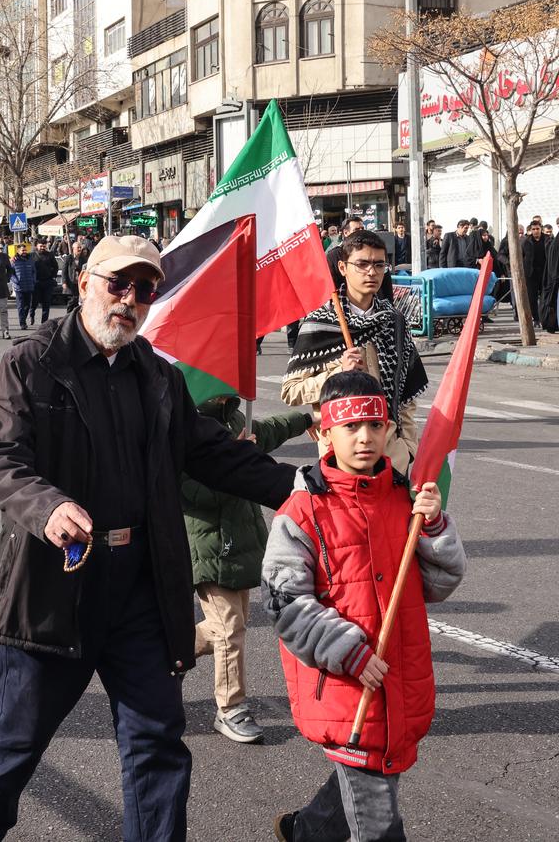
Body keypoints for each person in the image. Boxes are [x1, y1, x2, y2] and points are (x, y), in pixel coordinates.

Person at [0, 235, 299, 842]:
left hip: (141, 587)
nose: (129, 300)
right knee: (17, 740)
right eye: (118, 284)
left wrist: (302, 489)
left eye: (144, 290)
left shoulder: (157, 374)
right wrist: (48, 506)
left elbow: (214, 454)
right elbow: (0, 455)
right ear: (84, 282)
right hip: (56, 585)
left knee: (157, 743)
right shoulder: (33, 362)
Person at [263, 370, 466, 842]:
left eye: (375, 425)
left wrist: (435, 527)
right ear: (324, 432)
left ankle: (305, 831)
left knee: (372, 771)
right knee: (377, 820)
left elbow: (440, 584)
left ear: (389, 429)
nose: (364, 437)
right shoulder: (303, 511)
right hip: (344, 684)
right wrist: (348, 651)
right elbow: (284, 601)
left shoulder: (405, 497)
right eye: (350, 426)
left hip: (400, 675)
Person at [183, 395, 315, 745]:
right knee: (229, 628)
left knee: (229, 626)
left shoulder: (233, 417)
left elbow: (266, 430)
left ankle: (173, 654)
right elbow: (196, 493)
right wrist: (241, 461)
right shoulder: (185, 426)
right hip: (208, 547)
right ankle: (230, 708)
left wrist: (306, 419)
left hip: (240, 544)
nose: (228, 389)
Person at [282, 229, 427, 474]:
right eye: (362, 264)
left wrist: (408, 447)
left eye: (379, 265)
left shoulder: (394, 321)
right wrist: (338, 371)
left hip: (390, 453)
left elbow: (407, 393)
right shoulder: (321, 323)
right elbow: (291, 391)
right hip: (340, 455)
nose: (372, 272)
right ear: (343, 267)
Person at [30, 240, 58, 325]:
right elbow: (22, 258)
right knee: (34, 302)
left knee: (46, 303)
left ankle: (44, 322)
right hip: (36, 282)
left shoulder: (50, 255)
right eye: (40, 246)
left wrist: (52, 275)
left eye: (44, 246)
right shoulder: (31, 255)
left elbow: (55, 267)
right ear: (37, 246)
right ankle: (32, 314)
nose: (42, 248)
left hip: (47, 282)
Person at [9, 244, 35, 331]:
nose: (24, 252)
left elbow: (34, 271)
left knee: (27, 305)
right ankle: (22, 323)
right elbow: (11, 273)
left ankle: (24, 319)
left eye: (25, 250)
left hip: (29, 286)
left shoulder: (30, 260)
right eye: (22, 250)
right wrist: (16, 281)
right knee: (20, 305)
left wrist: (33, 280)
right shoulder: (14, 261)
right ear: (18, 251)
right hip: (19, 287)